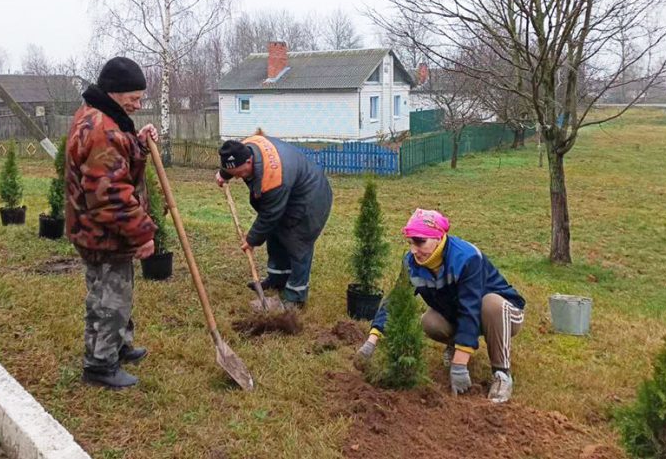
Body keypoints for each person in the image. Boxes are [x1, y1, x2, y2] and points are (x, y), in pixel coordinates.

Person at [355, 209, 525, 403]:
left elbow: (470, 309)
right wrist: (372, 340)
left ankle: (501, 373)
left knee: (491, 304)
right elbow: (395, 300)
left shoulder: (467, 258)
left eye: (420, 242)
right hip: (462, 313)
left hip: (504, 314)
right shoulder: (412, 263)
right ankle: (455, 345)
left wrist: (459, 365)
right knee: (429, 321)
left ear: (438, 237)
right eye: (410, 243)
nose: (413, 250)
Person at [66, 56, 159, 389]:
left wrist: (139, 142)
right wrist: (142, 233)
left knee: (109, 292)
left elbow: (119, 161)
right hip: (103, 232)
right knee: (110, 298)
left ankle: (117, 345)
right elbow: (111, 195)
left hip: (96, 229)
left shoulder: (101, 118)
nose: (138, 104)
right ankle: (101, 365)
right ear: (115, 93)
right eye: (133, 98)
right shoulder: (102, 129)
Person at [215, 133, 332, 310]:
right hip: (291, 189)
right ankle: (277, 279)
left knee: (297, 241)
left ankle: (295, 297)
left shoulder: (273, 176)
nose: (238, 178)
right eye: (234, 174)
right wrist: (225, 174)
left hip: (312, 196)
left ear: (249, 162)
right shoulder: (246, 147)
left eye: (239, 174)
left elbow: (269, 214)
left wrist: (251, 239)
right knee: (276, 234)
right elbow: (235, 161)